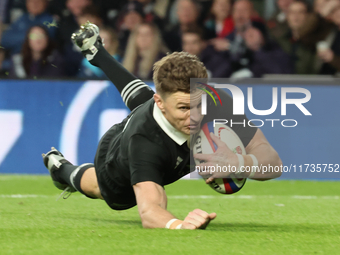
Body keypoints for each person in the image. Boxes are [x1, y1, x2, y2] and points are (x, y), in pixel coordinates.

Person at [42, 22, 282, 230]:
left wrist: (240, 162)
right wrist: (179, 225)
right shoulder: (143, 142)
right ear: (161, 103)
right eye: (184, 109)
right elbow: (150, 210)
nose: (195, 117)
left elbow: (273, 161)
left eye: (198, 104)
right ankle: (61, 170)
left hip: (154, 115)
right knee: (101, 188)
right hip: (117, 156)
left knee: (143, 99)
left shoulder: (215, 101)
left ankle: (97, 52)